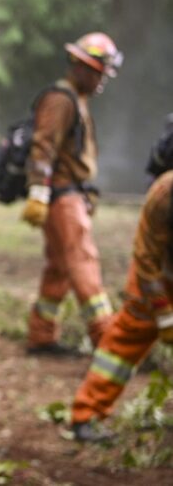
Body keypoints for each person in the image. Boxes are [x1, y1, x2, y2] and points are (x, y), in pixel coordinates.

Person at [22, 32, 123, 355]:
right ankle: (108, 340)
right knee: (84, 263)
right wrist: (38, 193)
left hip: (70, 195)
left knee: (60, 267)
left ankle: (41, 335)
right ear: (82, 68)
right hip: (62, 198)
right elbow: (43, 147)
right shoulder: (61, 99)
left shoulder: (75, 99)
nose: (101, 81)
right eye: (98, 73)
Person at [69, 139, 173, 443]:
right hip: (158, 278)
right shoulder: (165, 194)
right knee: (124, 343)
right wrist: (164, 312)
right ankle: (86, 415)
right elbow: (145, 257)